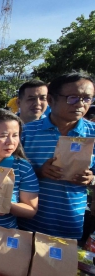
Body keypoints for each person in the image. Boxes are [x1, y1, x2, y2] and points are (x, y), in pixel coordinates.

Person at [19, 71, 95, 239]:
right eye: (73, 98)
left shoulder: (93, 134)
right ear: (52, 100)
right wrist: (38, 172)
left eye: (87, 98)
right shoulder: (26, 132)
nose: (80, 104)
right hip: (27, 222)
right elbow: (9, 170)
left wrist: (91, 179)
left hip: (70, 224)